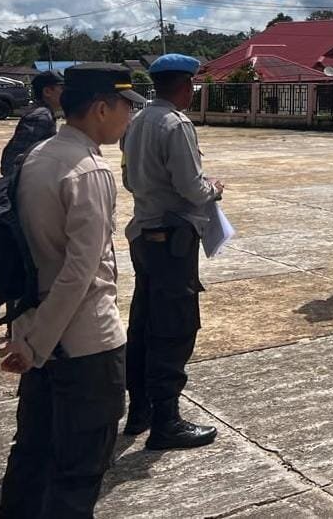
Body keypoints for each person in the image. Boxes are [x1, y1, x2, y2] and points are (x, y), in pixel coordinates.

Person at [0, 63, 145, 518]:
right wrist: (39, 343)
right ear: (101, 108)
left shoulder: (39, 155)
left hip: (37, 329)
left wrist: (29, 339)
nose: (129, 117)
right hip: (84, 344)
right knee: (80, 466)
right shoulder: (89, 170)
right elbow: (80, 273)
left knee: (33, 451)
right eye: (126, 107)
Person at [122, 53, 223, 449]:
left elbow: (129, 179)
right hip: (172, 239)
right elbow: (191, 188)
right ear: (186, 86)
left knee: (143, 322)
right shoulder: (175, 124)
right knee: (175, 326)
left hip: (143, 232)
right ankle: (166, 422)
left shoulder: (136, 120)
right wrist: (213, 189)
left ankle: (140, 410)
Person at [0, 69, 64, 176]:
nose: (66, 93)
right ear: (47, 92)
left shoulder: (44, 113)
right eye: (62, 88)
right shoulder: (40, 117)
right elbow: (15, 158)